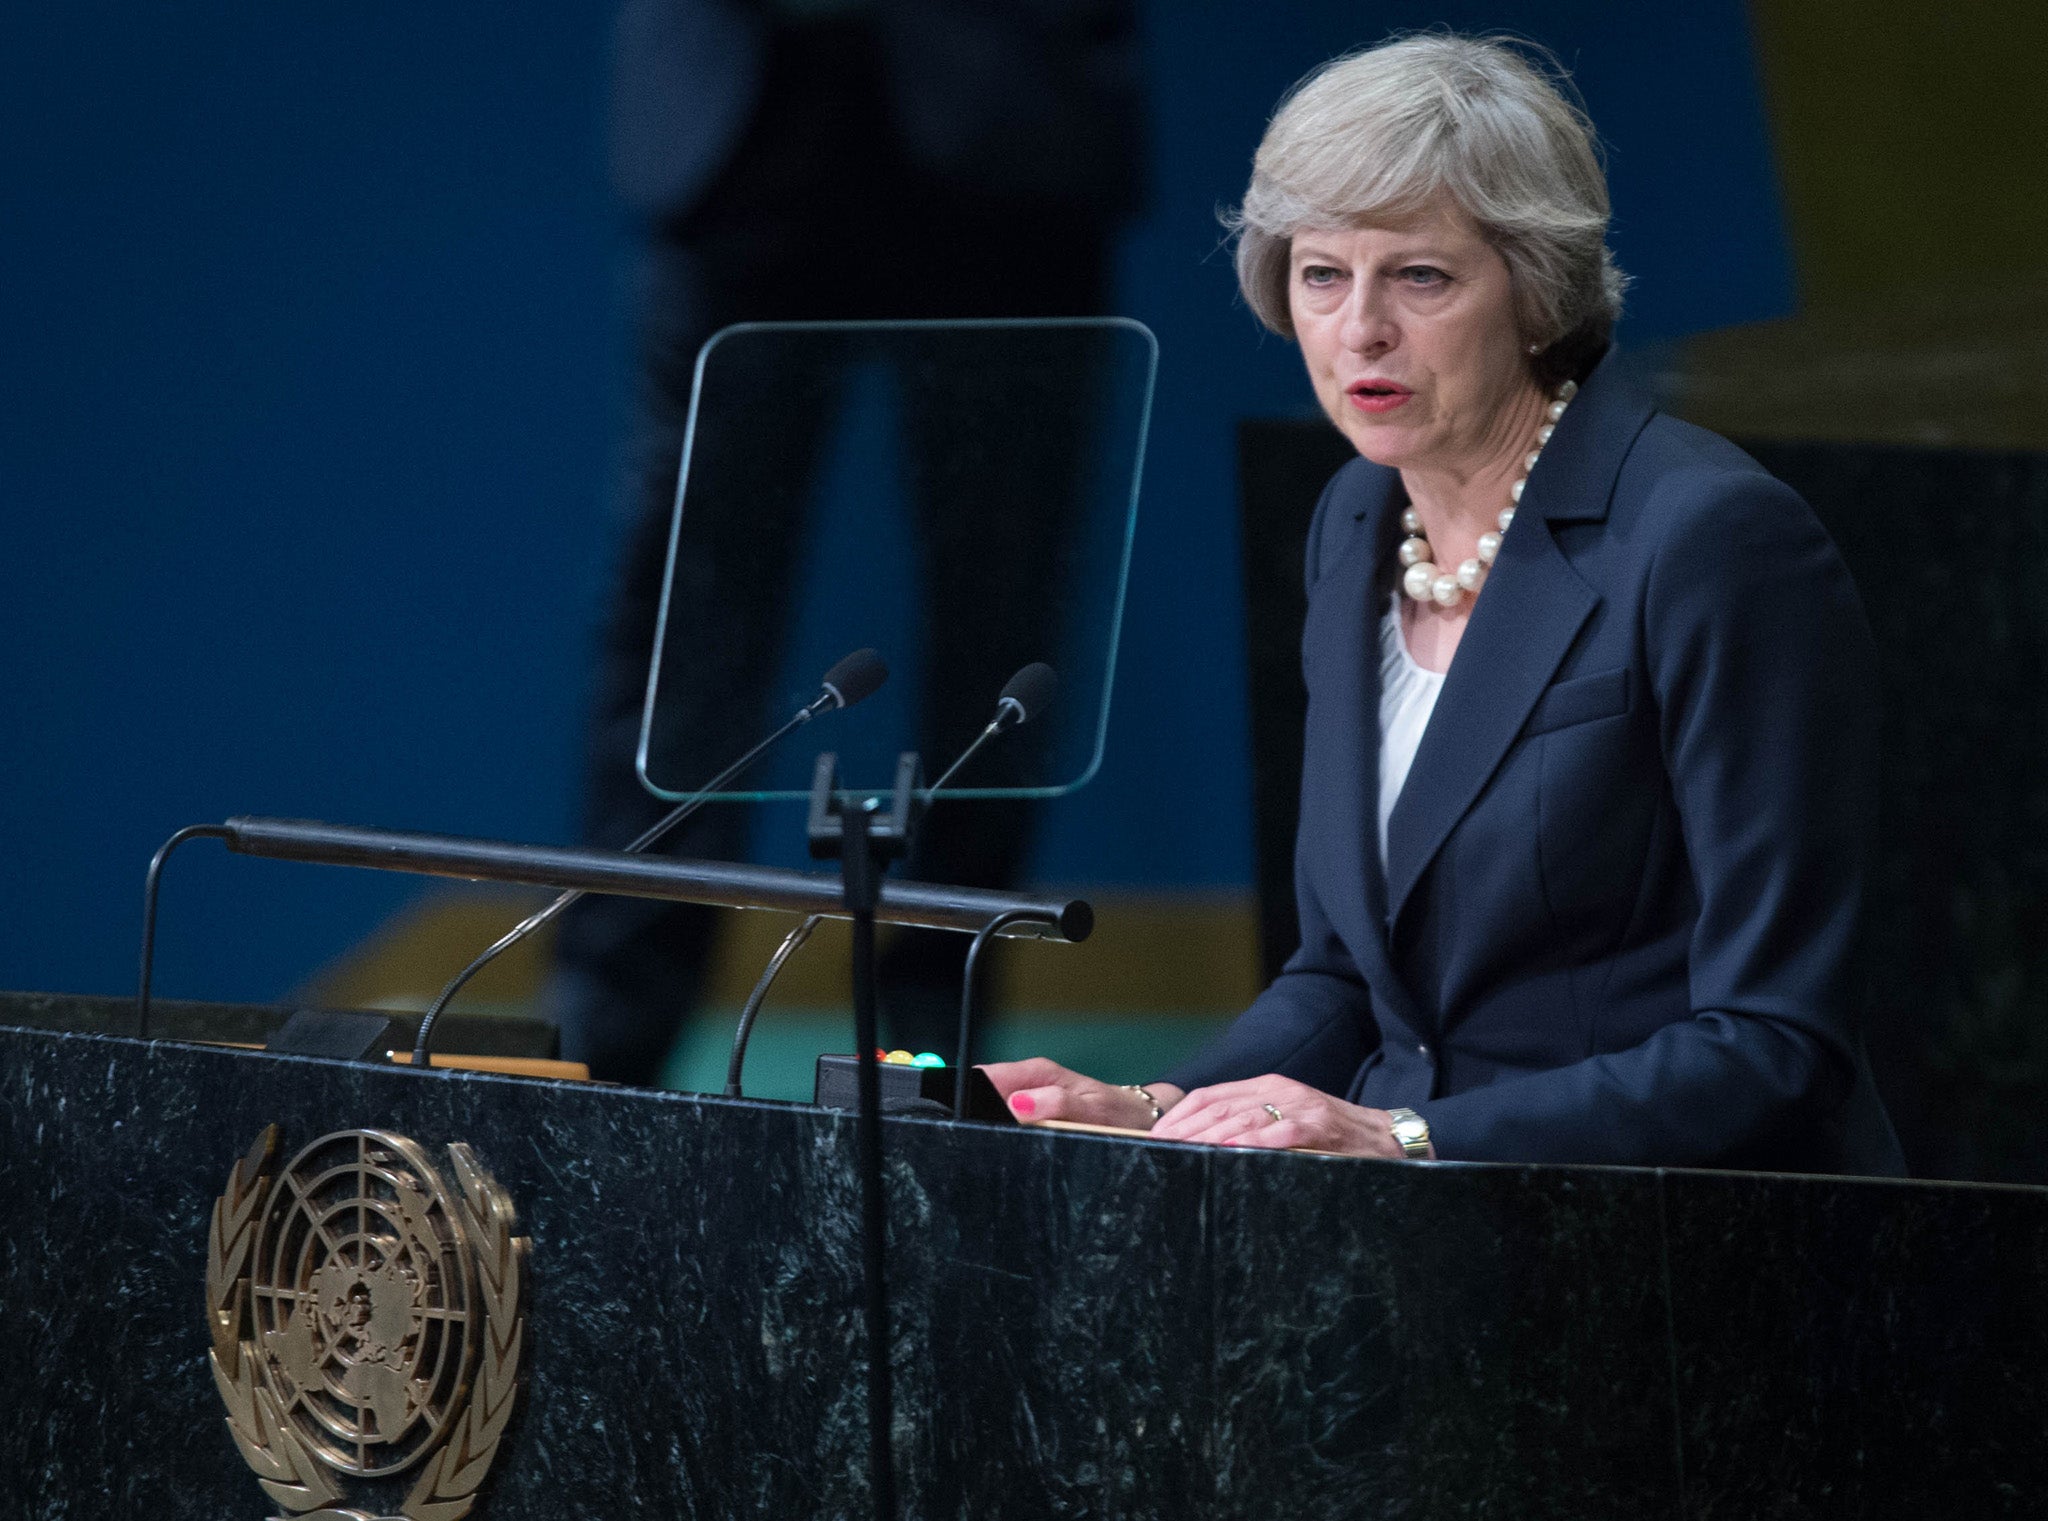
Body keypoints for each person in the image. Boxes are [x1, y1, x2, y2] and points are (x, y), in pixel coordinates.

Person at [987, 33, 1905, 1173]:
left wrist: (1407, 1134)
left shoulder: (1706, 539)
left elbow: (1773, 1041)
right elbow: (1341, 980)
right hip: (1429, 1244)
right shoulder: (1356, 520)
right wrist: (1158, 1102)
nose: (1359, 327)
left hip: (1684, 1252)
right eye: (1321, 274)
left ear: (1534, 291)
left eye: (1418, 276)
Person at [550, 0, 1144, 1083]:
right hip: (737, 121)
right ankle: (607, 1045)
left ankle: (932, 1046)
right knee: (680, 616)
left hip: (1004, 119)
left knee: (999, 619)